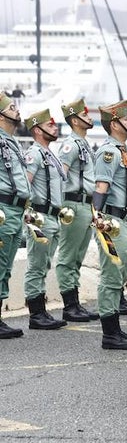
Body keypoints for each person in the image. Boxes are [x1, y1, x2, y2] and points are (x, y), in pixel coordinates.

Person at [90, 101, 127, 351]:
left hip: (126, 223)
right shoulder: (109, 152)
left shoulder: (126, 151)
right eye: (126, 119)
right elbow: (101, 187)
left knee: (118, 277)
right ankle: (110, 333)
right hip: (113, 223)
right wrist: (98, 218)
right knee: (111, 278)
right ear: (114, 124)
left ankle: (115, 330)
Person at [22, 108, 68, 331]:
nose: (55, 127)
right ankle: (36, 313)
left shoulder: (50, 154)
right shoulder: (35, 153)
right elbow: (26, 184)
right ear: (37, 130)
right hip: (40, 216)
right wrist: (28, 215)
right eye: (49, 125)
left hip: (52, 217)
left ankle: (41, 311)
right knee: (36, 265)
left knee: (44, 264)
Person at [56, 98, 100, 323]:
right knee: (68, 256)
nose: (89, 118)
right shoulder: (70, 145)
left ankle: (75, 303)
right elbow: (60, 175)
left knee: (77, 256)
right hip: (73, 204)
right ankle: (69, 305)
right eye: (84, 114)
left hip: (86, 204)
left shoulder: (83, 144)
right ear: (74, 120)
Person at [0, 94, 30, 339]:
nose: (17, 111)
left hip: (16, 210)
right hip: (3, 210)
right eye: (11, 107)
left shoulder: (10, 142)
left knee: (6, 266)